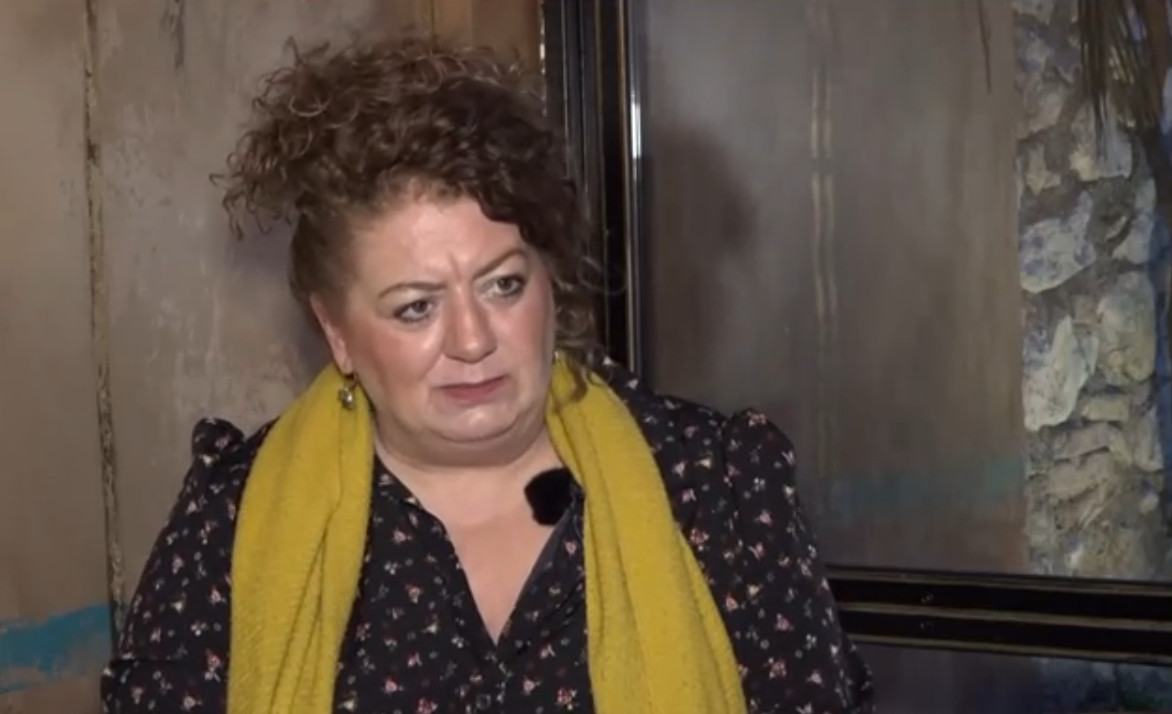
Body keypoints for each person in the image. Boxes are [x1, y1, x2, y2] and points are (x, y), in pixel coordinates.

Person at [100, 36, 874, 714]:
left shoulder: (715, 489)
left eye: (503, 285)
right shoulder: (232, 524)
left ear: (551, 280)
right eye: (415, 308)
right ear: (336, 331)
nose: (472, 340)